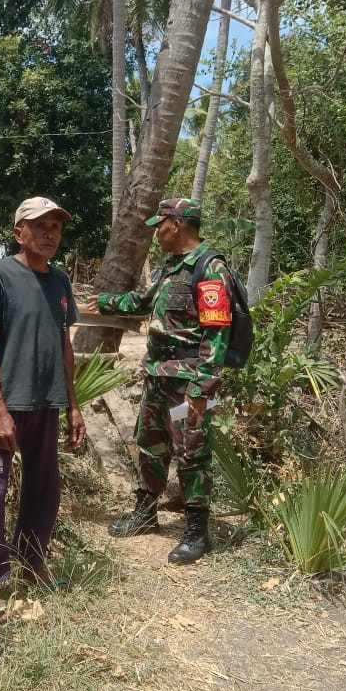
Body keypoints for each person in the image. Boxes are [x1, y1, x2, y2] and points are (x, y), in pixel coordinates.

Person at [86, 197, 232, 565]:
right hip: (158, 376)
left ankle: (197, 531)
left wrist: (202, 389)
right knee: (150, 444)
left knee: (192, 453)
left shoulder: (209, 268)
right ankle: (146, 513)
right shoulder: (170, 268)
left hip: (189, 383)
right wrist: (104, 302)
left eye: (160, 224)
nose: (156, 231)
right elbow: (143, 300)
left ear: (177, 224)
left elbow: (217, 334)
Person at [0, 196, 86, 621]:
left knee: (44, 489)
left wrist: (73, 404)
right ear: (19, 233)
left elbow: (64, 347)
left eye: (56, 226)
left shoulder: (61, 283)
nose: (50, 233)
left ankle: (33, 563)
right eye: (40, 225)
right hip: (6, 404)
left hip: (47, 402)